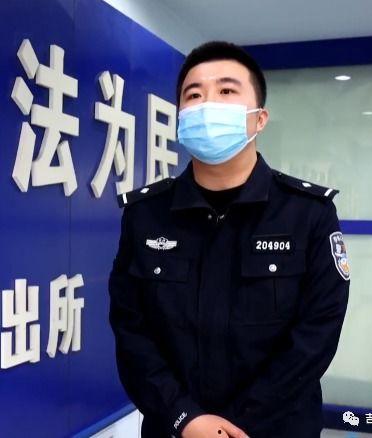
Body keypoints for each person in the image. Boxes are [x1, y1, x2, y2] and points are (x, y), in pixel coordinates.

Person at [108, 40, 350, 438]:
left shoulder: (308, 214)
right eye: (194, 95)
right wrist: (184, 417)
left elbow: (317, 333)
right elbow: (130, 330)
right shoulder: (145, 215)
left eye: (226, 90)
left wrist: (237, 426)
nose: (207, 104)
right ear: (180, 118)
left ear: (259, 119)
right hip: (175, 430)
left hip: (276, 429)